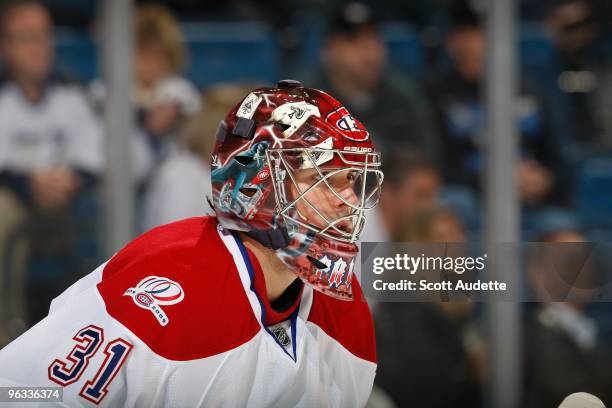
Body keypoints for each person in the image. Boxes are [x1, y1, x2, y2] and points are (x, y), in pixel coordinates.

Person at [0, 80, 383, 407]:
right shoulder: (167, 284)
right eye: (326, 180)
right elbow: (18, 391)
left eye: (352, 180)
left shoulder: (345, 308)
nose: (348, 200)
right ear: (260, 184)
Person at [0, 0, 104, 332]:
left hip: (69, 203)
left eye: (44, 36)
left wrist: (69, 182)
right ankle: (7, 329)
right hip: (17, 203)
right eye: (27, 38)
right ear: (6, 45)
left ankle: (96, 328)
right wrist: (30, 185)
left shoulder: (72, 91)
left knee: (113, 205)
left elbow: (93, 157)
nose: (39, 48)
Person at [304, 2, 440, 164]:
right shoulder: (306, 98)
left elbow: (428, 160)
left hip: (393, 187)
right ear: (328, 51)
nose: (367, 52)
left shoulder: (404, 94)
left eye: (373, 39)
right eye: (353, 41)